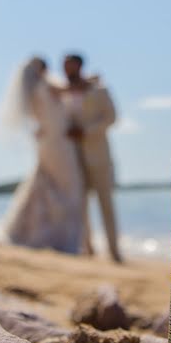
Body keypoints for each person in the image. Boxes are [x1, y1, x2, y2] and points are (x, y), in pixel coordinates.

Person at [1, 56, 85, 254]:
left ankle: (32, 232)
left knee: (45, 186)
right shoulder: (46, 84)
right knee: (69, 188)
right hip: (58, 142)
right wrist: (91, 81)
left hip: (47, 140)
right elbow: (70, 90)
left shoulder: (31, 92)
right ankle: (62, 238)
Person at [61, 53, 123, 262]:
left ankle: (114, 251)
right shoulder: (62, 93)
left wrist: (86, 132)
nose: (66, 70)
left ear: (79, 66)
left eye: (69, 66)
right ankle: (87, 247)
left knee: (106, 203)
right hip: (73, 157)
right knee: (80, 204)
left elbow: (112, 117)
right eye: (64, 67)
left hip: (99, 155)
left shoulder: (99, 89)